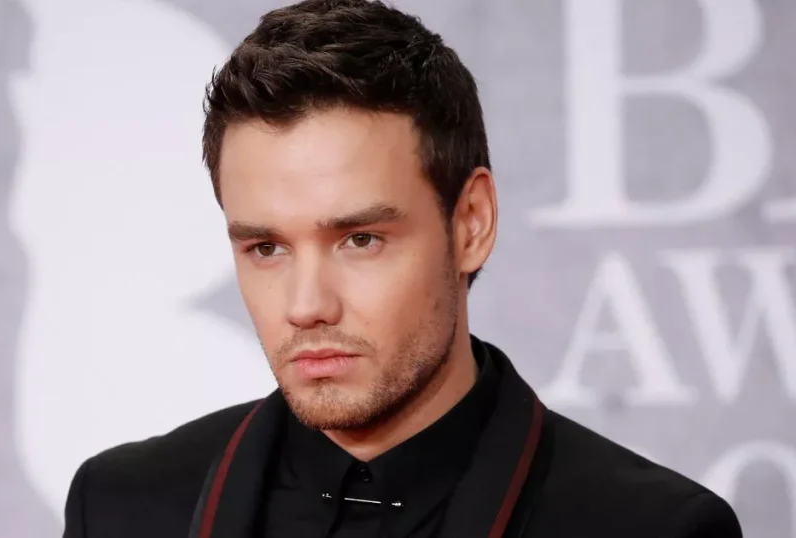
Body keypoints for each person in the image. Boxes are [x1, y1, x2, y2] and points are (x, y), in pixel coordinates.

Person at [61, 1, 743, 536]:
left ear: (470, 223)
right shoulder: (121, 507)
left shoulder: (649, 527)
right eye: (267, 248)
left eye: (359, 239)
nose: (306, 305)